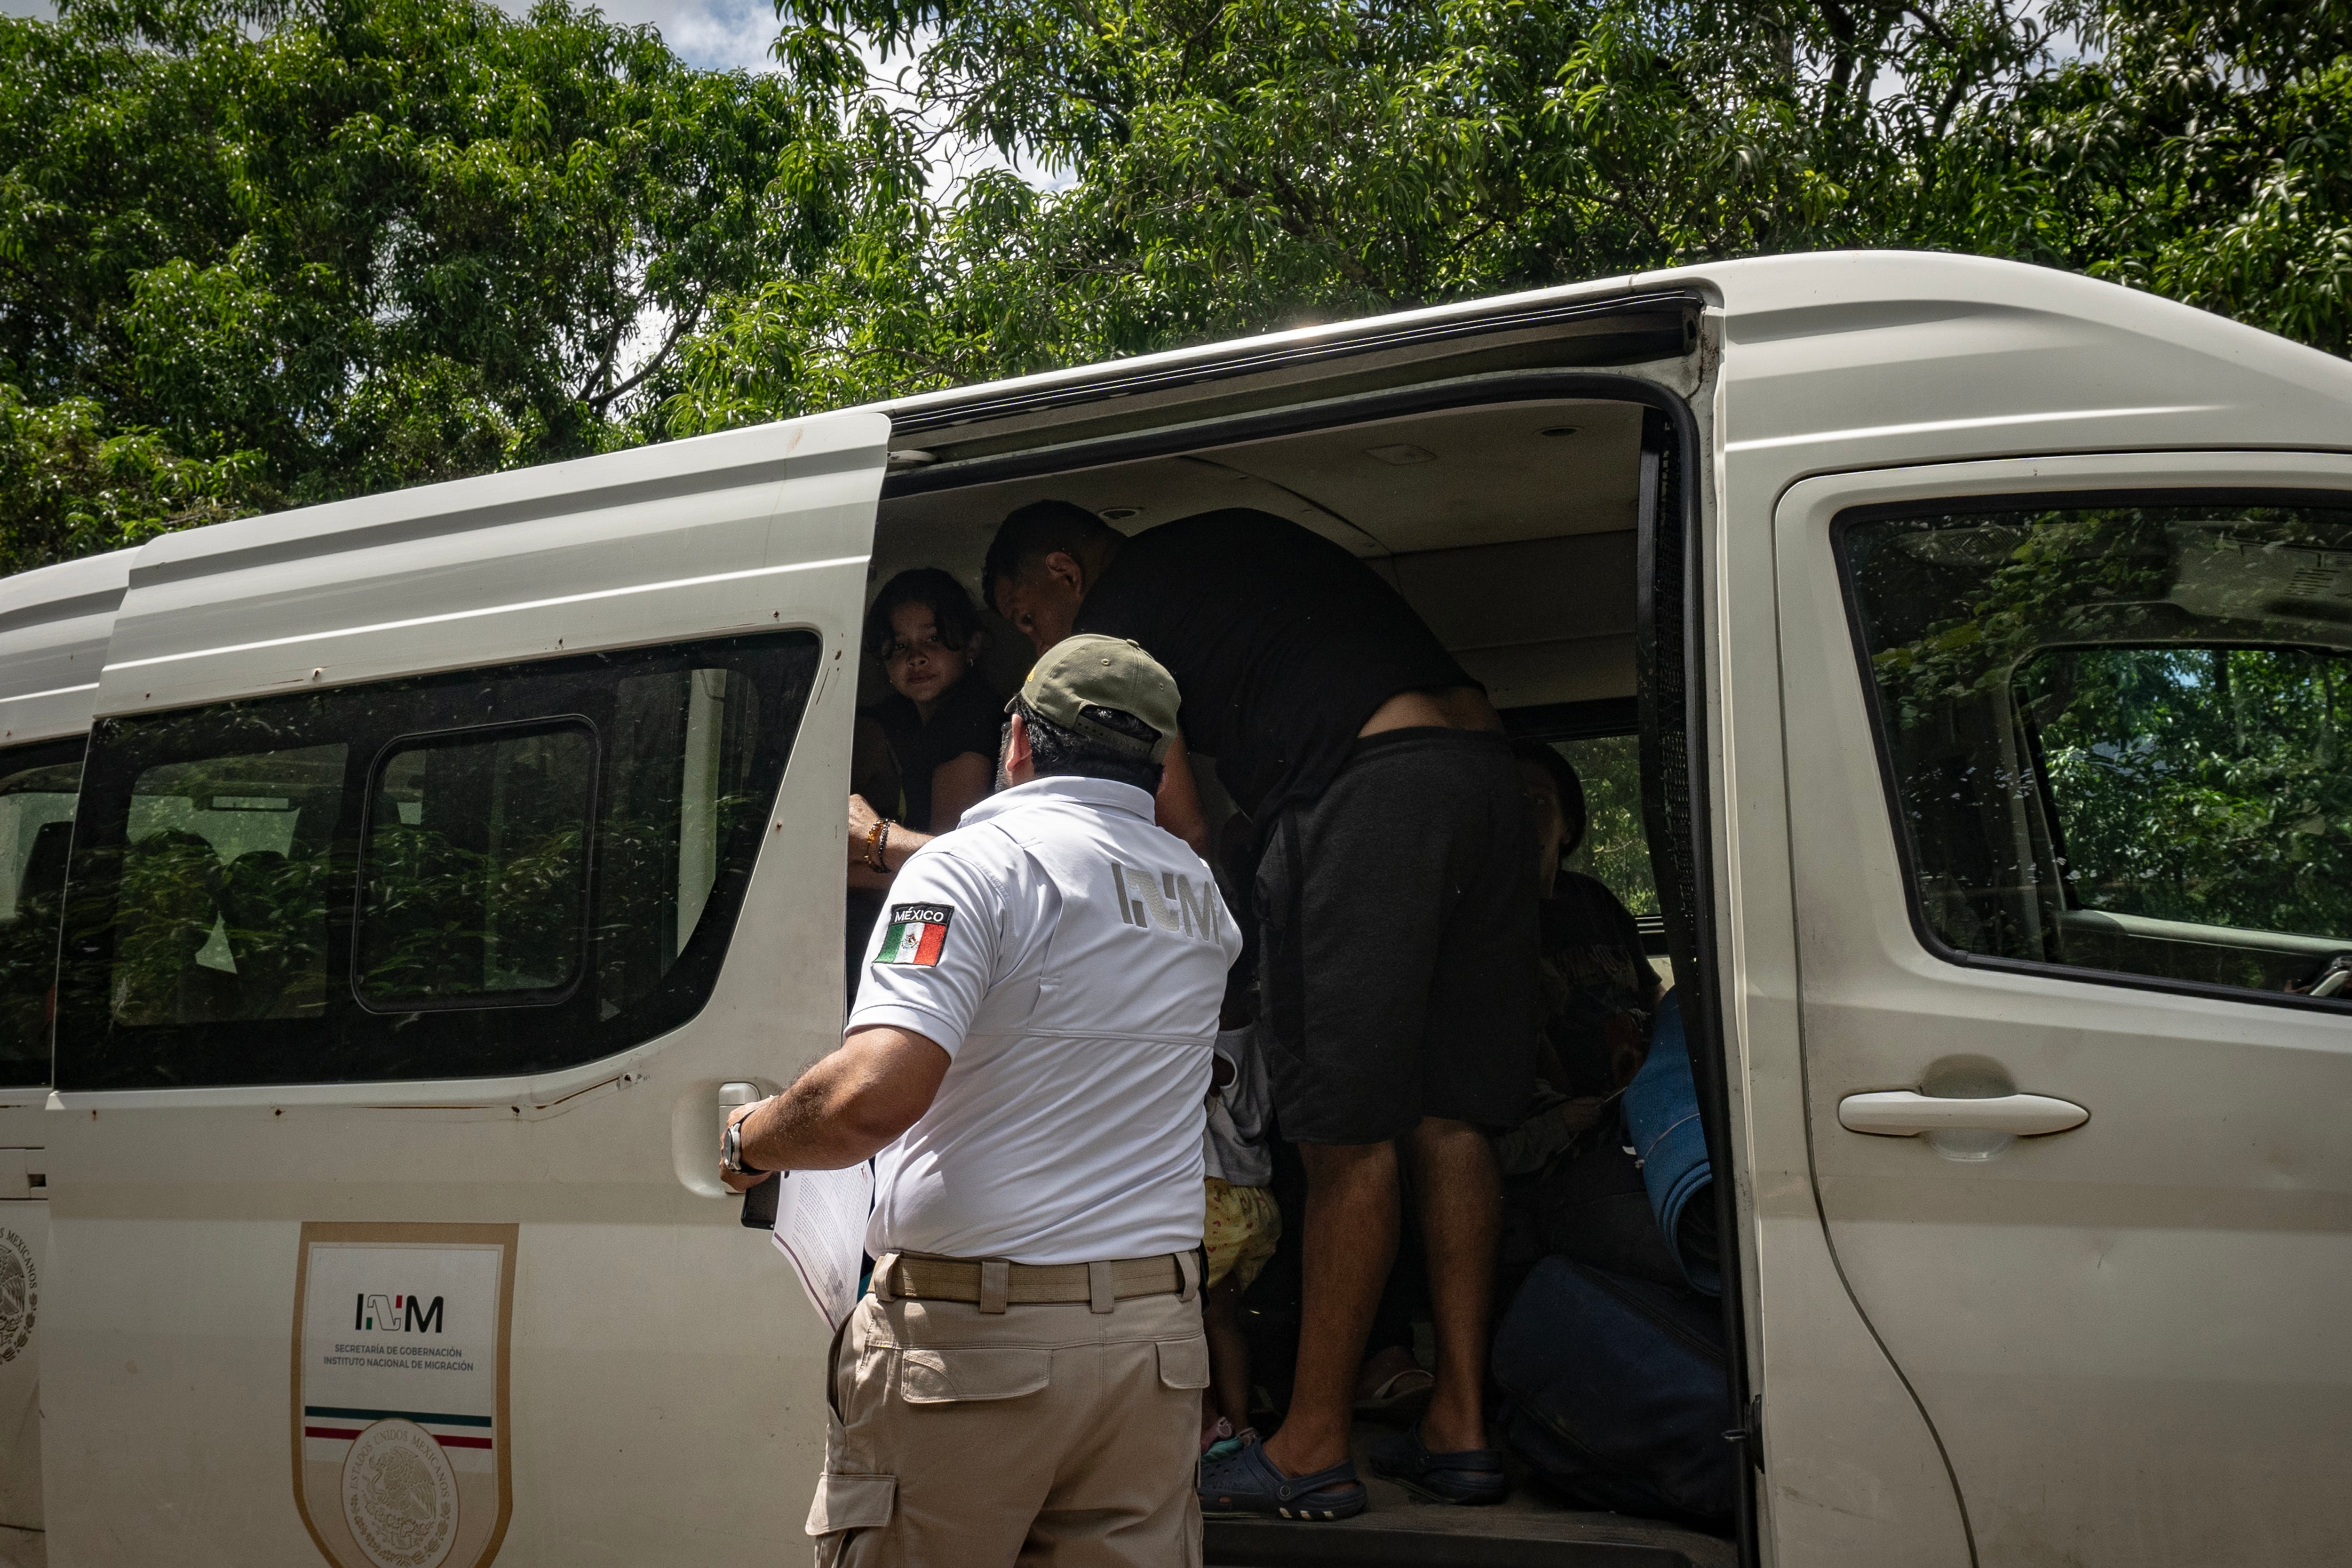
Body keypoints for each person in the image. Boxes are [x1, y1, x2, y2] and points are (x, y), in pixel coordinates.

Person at [984, 501, 1537, 1519]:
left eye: (1027, 618)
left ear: (1063, 572)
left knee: (1342, 1132)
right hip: (1485, 772)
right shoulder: (1221, 545)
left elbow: (1182, 822)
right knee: (1452, 1116)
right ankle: (1459, 1424)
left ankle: (1310, 1444)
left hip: (1370, 789)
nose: (1040, 641)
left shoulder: (1118, 618)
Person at [723, 634, 1240, 1568]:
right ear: (1161, 761)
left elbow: (868, 1101)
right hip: (1153, 1346)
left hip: (978, 1349)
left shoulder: (970, 867)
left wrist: (750, 1138)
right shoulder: (1197, 893)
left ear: (1016, 745)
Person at [1200, 1018, 1279, 1456]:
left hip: (1210, 1200)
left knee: (1183, 1317)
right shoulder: (1263, 1036)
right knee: (1223, 1319)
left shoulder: (1211, 1040)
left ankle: (1210, 1425)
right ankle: (1243, 1426)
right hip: (1250, 1200)